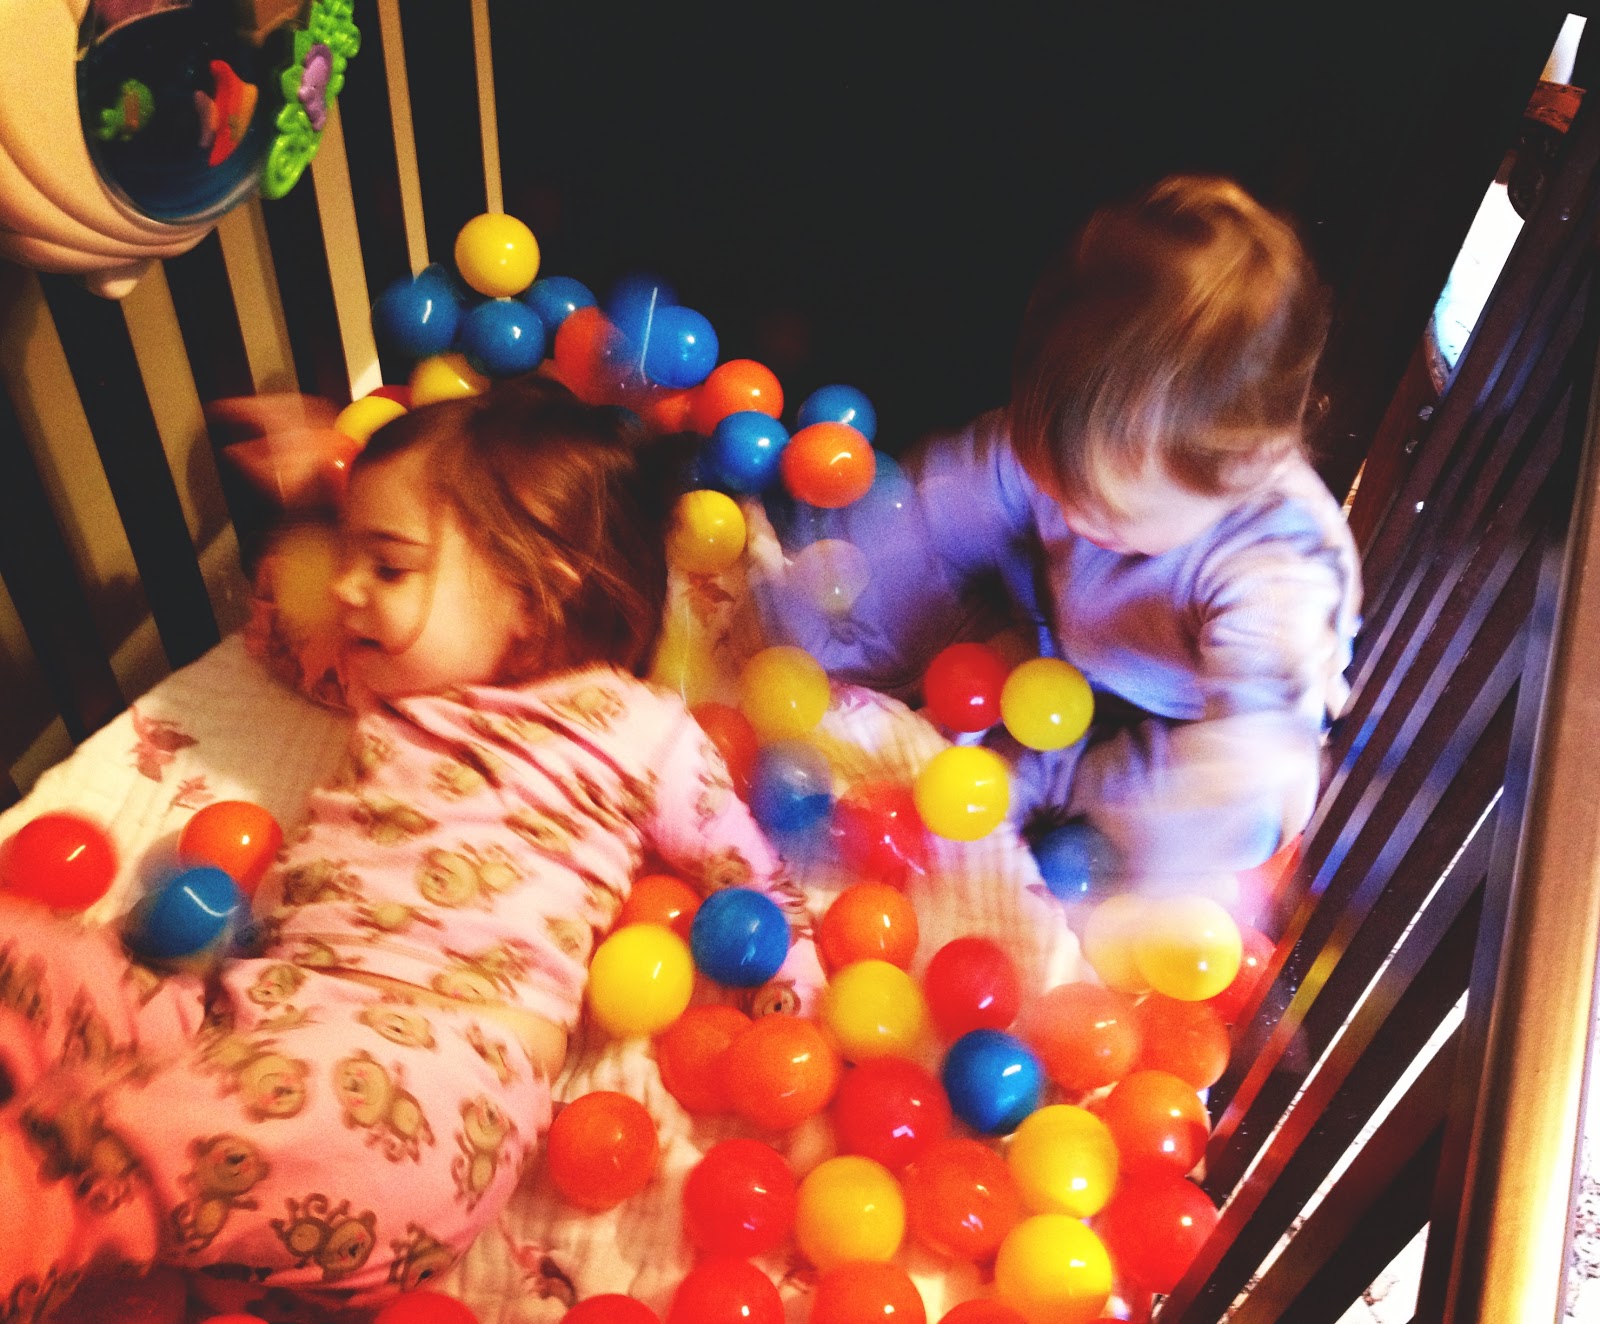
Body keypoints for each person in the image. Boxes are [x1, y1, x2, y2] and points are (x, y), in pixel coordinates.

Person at [0, 378, 822, 1323]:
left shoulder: (637, 726)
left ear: (535, 595)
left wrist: (791, 1006)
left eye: (389, 567)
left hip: (421, 1101)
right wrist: (318, 494)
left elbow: (747, 875)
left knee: (111, 1138)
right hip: (236, 1021)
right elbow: (277, 633)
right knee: (33, 954)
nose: (345, 587)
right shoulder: (386, 683)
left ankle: (43, 1194)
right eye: (351, 559)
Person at [755, 175, 1362, 891]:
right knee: (913, 544)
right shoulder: (1084, 445)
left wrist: (1168, 836)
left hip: (1169, 715)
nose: (1073, 517)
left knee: (1212, 807)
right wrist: (827, 592)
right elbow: (944, 497)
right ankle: (984, 743)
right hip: (1052, 636)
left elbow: (1254, 762)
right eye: (1057, 483)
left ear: (1247, 467)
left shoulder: (1281, 567)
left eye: (1111, 512)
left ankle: (1051, 797)